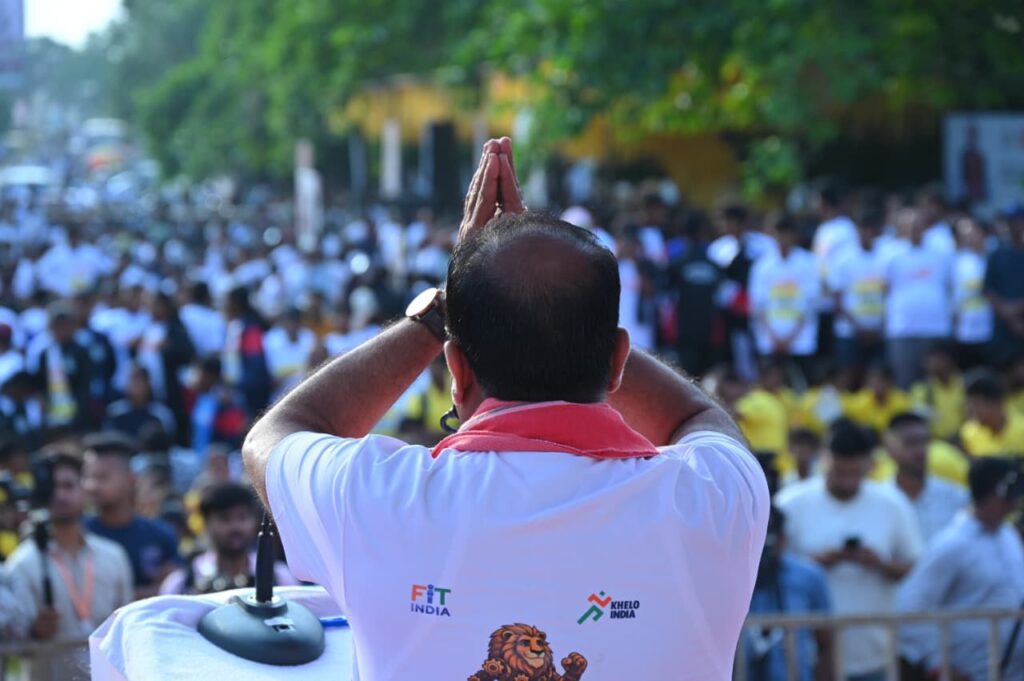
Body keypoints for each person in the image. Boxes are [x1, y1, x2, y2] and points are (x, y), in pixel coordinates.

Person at [242, 137, 769, 679]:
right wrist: (565, 317)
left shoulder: (377, 496)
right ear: (617, 360)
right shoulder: (713, 498)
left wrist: (442, 312)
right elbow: (698, 418)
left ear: (457, 370)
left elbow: (276, 434)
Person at [776, 418, 923, 681]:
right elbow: (770, 570)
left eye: (855, 474)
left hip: (874, 653)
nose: (847, 483)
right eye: (840, 473)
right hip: (806, 657)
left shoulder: (892, 504)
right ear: (824, 461)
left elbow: (916, 568)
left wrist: (879, 563)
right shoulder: (790, 503)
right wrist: (811, 567)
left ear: (869, 465)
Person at [6, 451, 133, 681]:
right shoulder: (21, 564)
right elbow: (15, 647)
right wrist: (36, 632)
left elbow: (127, 628)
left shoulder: (114, 556)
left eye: (68, 485)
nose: (60, 495)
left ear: (84, 490)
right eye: (53, 487)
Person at [897, 457, 1024, 681]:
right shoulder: (952, 544)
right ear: (995, 491)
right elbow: (911, 609)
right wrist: (939, 665)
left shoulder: (1008, 536)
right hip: (970, 672)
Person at [82, 435, 181, 599]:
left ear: (130, 478)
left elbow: (172, 590)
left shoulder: (160, 535)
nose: (92, 486)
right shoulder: (80, 534)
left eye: (103, 477)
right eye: (88, 477)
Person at [159, 482, 296, 595]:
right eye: (224, 518)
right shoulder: (181, 584)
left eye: (242, 517)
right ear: (206, 523)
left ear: (255, 521)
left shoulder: (280, 577)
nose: (235, 527)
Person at [745, 507, 833, 681]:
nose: (765, 548)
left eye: (770, 538)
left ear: (783, 538)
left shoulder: (808, 576)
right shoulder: (732, 576)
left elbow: (826, 641)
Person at [884, 209, 954, 389]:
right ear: (901, 229)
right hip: (903, 329)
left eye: (918, 226)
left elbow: (950, 285)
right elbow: (884, 287)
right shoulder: (890, 255)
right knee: (905, 384)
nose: (914, 230)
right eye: (909, 226)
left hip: (935, 328)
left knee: (937, 384)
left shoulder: (941, 254)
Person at [882, 412, 969, 544]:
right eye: (910, 443)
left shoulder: (956, 498)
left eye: (924, 441)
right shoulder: (881, 500)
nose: (920, 450)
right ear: (889, 449)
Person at [750, 214, 820, 373]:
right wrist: (773, 337)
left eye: (786, 234)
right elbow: (758, 305)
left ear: (794, 235)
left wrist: (790, 338)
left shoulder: (808, 263)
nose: (782, 239)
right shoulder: (762, 265)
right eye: (778, 233)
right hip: (770, 342)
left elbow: (810, 304)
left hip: (801, 342)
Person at [828, 208, 888, 384]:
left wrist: (880, 326)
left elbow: (891, 294)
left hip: (879, 333)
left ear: (876, 231)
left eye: (870, 229)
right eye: (862, 229)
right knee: (849, 379)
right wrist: (859, 328)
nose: (866, 234)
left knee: (876, 379)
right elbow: (837, 299)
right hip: (850, 332)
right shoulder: (843, 259)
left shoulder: (886, 257)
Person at [667, 210, 726, 376]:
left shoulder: (676, 264)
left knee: (686, 377)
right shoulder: (715, 265)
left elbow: (667, 297)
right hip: (708, 330)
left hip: (684, 330)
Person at [136, 292, 195, 444]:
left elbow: (188, 353)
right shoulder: (148, 327)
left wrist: (167, 349)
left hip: (171, 391)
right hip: (149, 390)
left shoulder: (175, 328)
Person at [984, 205, 1024, 367]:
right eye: (1011, 222)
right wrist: (1008, 314)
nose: (1015, 225)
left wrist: (1016, 309)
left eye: (1018, 221)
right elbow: (988, 289)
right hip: (1004, 330)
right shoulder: (997, 254)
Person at [223, 286, 271, 416]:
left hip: (250, 395)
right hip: (238, 390)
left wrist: (238, 388)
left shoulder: (250, 328)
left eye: (227, 302)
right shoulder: (235, 325)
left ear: (236, 303)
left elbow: (256, 363)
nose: (224, 306)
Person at [951, 217, 993, 369]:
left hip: (991, 330)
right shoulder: (959, 263)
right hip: (966, 330)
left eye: (976, 234)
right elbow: (954, 296)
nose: (972, 239)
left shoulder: (993, 259)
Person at [959, 369, 1024, 457]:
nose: (971, 411)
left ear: (997, 403)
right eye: (968, 405)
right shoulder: (968, 434)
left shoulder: (1022, 429)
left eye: (976, 405)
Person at [910, 343, 965, 441]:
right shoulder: (921, 390)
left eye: (938, 359)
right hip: (935, 442)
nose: (933, 364)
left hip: (966, 439)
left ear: (949, 360)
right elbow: (918, 421)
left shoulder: (964, 384)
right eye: (930, 360)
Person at [105, 365, 177, 440]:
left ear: (148, 385)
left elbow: (169, 441)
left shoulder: (161, 415)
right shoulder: (114, 413)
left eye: (139, 382)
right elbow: (108, 440)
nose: (135, 386)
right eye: (132, 381)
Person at [841, 364, 913, 437]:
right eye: (872, 380)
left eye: (881, 380)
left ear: (891, 382)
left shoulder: (903, 402)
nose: (876, 384)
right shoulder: (856, 403)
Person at [263, 307, 317, 400]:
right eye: (289, 322)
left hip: (305, 396)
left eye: (295, 322)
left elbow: (312, 371)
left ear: (300, 323)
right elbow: (273, 381)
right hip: (279, 398)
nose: (292, 326)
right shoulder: (271, 339)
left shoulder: (309, 337)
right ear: (283, 323)